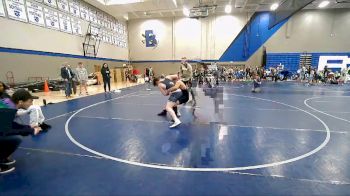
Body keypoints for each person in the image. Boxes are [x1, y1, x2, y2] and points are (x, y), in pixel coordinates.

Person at [0, 89, 44, 174]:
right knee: (15, 138)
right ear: (20, 102)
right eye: (30, 101)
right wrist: (30, 130)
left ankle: (2, 158)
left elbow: (10, 124)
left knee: (16, 137)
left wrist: (28, 128)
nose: (31, 104)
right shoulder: (9, 109)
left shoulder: (9, 103)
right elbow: (5, 131)